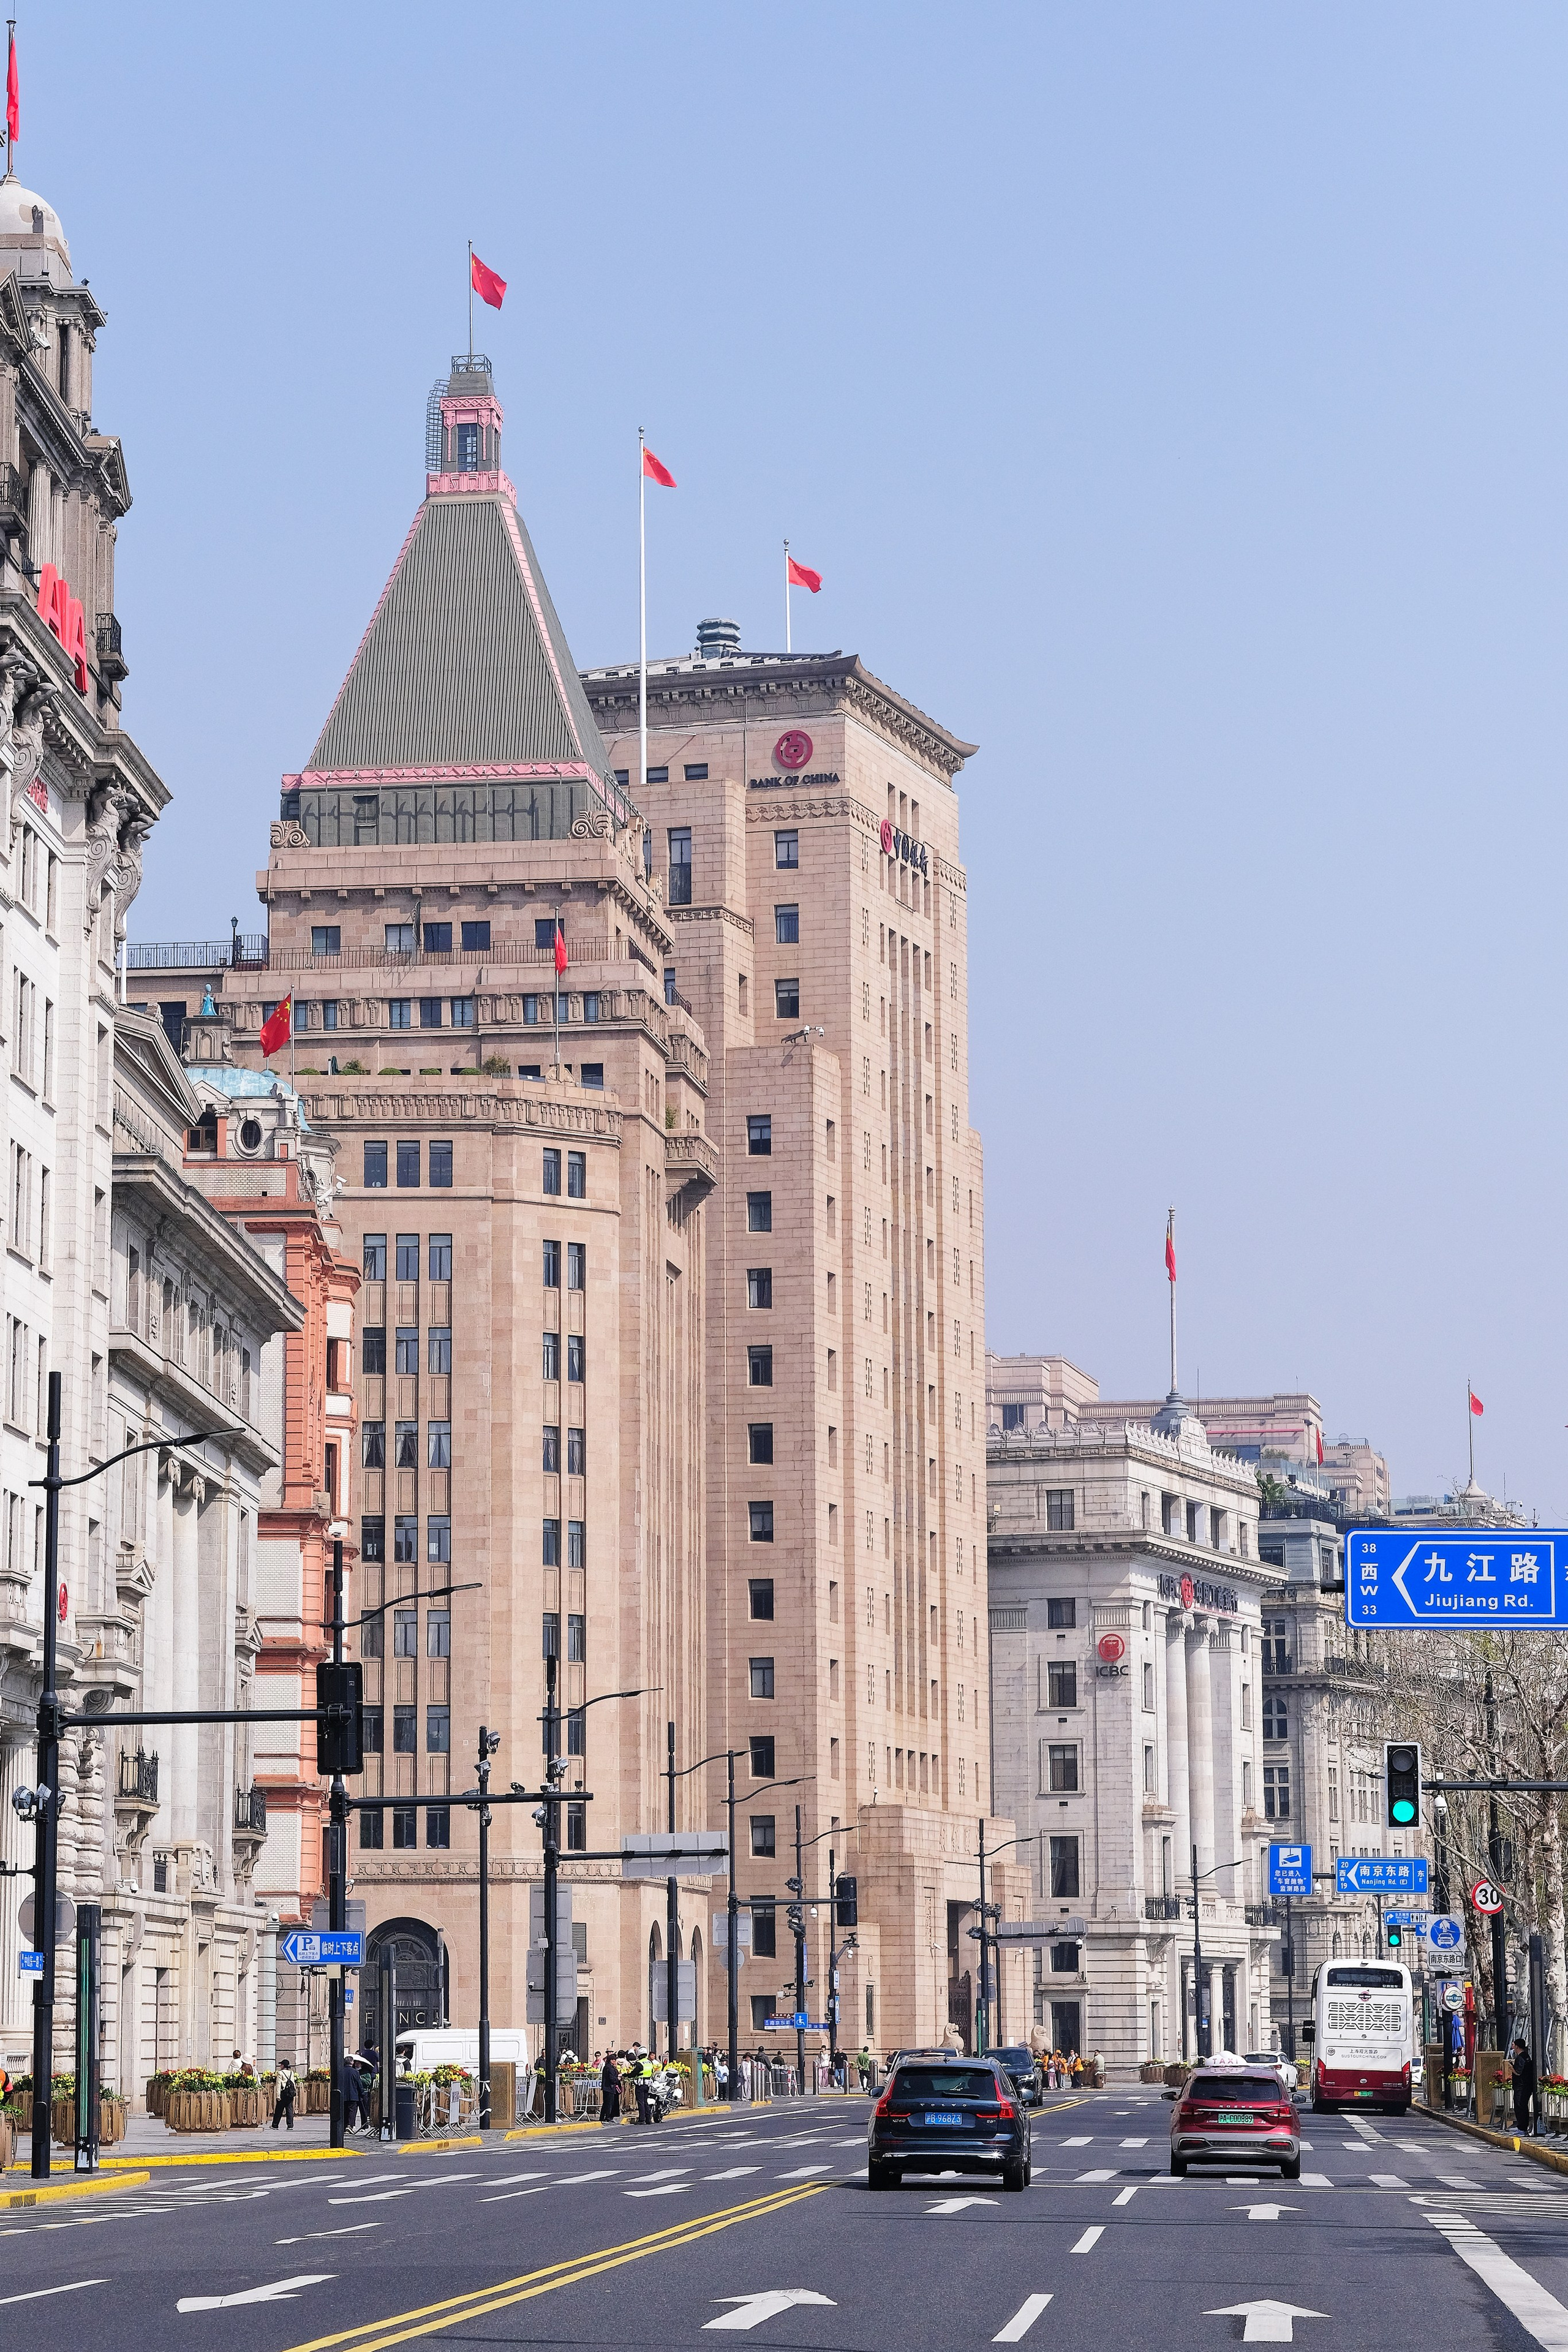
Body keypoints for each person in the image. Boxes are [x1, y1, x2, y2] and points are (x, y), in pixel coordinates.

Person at [1511, 2037, 1537, 2133]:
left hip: (1521, 2087)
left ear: (1517, 2047)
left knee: (1520, 2106)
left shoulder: (1521, 2057)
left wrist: (1511, 2067)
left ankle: (1522, 2128)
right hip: (1526, 2085)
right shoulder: (1526, 2056)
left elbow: (1518, 2072)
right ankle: (1522, 2127)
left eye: (1514, 2046)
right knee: (1522, 2106)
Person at [272, 2057, 298, 2132]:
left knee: (279, 2110)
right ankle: (290, 2125)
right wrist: (294, 2092)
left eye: (281, 2064)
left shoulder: (280, 2073)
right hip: (290, 2094)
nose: (280, 2066)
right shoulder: (291, 2073)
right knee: (289, 2109)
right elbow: (293, 2083)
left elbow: (279, 2085)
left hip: (283, 2093)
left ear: (283, 2066)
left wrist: (278, 2096)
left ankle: (275, 2125)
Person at [600, 2048, 622, 2126]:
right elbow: (611, 2078)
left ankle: (604, 2117)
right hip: (609, 2088)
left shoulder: (610, 2067)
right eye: (614, 2060)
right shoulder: (609, 2067)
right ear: (611, 2061)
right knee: (609, 2103)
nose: (615, 2061)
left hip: (610, 2088)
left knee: (607, 2103)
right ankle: (607, 2117)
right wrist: (618, 2078)